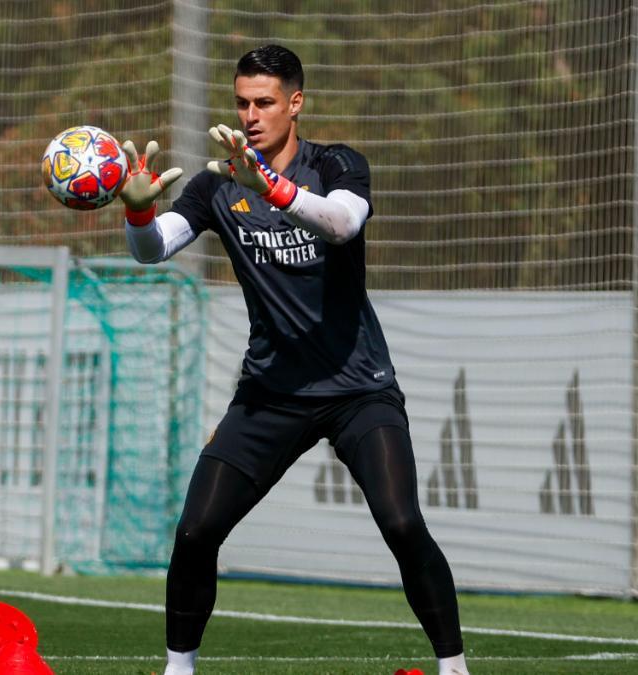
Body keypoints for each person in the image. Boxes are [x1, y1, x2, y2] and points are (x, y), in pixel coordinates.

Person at [118, 44, 469, 675]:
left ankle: (454, 670)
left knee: (401, 522)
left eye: (264, 102)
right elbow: (152, 250)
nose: (250, 116)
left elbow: (341, 225)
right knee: (196, 531)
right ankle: (178, 669)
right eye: (242, 103)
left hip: (357, 388)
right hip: (270, 393)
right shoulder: (217, 183)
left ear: (296, 103)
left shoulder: (337, 164)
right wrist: (139, 211)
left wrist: (273, 189)